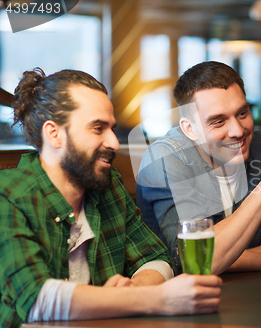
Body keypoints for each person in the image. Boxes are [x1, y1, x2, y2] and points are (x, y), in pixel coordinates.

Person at [0, 68, 222, 327]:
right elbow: (37, 299)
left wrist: (135, 288)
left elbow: (156, 258)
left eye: (111, 129)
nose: (114, 143)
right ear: (54, 134)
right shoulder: (9, 196)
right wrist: (155, 298)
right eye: (98, 128)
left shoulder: (109, 185)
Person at [136, 61, 261, 275]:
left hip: (244, 295)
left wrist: (225, 255)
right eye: (218, 121)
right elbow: (194, 262)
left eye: (242, 113)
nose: (238, 131)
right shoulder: (165, 159)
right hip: (177, 300)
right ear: (190, 129)